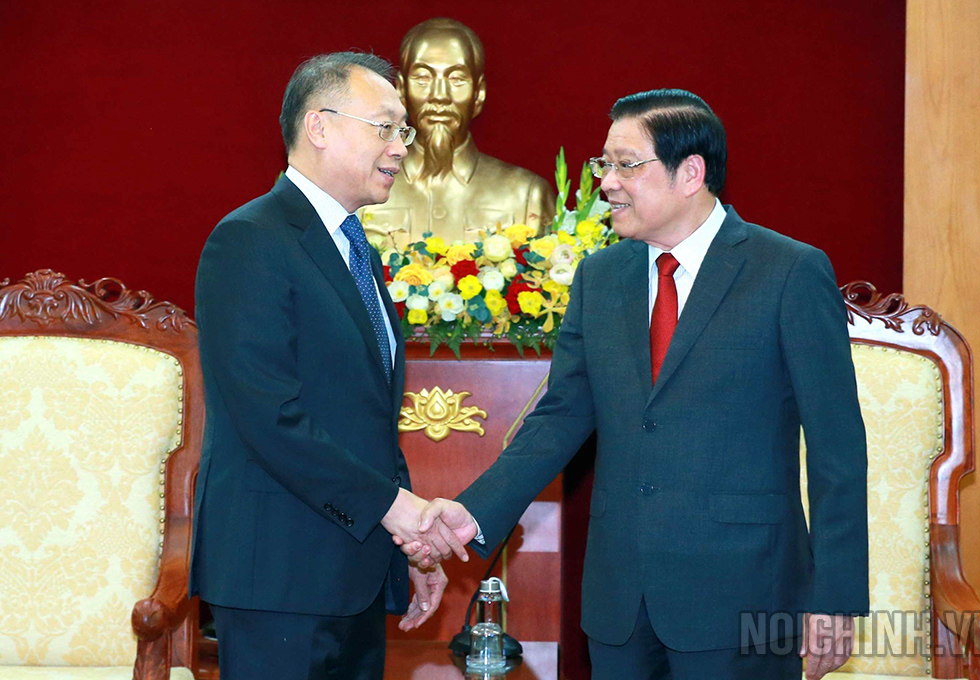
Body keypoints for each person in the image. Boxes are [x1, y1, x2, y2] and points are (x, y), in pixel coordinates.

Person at [407, 89, 869, 680]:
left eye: (626, 165)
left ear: (691, 173)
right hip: (619, 597)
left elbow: (837, 447)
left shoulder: (787, 271)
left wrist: (834, 597)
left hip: (743, 593)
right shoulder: (600, 277)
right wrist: (473, 513)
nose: (607, 184)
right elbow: (559, 418)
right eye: (604, 165)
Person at [189, 52, 468, 680]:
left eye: (404, 130)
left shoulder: (354, 247)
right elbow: (268, 416)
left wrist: (408, 551)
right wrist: (396, 509)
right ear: (319, 126)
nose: (402, 147)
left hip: (354, 572)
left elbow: (367, 419)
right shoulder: (250, 239)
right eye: (386, 127)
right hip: (278, 575)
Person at [360, 17, 555, 246]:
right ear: (401, 90)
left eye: (457, 79)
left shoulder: (526, 195)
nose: (439, 96)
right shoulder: (363, 190)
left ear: (478, 94)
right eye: (423, 78)